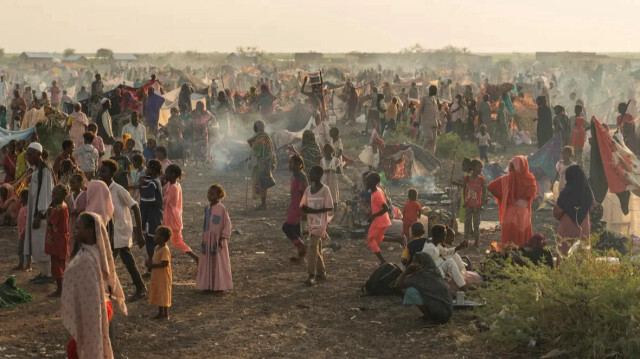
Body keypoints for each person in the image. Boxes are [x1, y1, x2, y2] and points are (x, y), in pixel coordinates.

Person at [61, 212, 127, 359]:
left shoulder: (87, 259)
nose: (74, 230)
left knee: (82, 349)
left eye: (79, 228)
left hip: (96, 311)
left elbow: (92, 297)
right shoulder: (98, 253)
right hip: (105, 308)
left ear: (90, 231)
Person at [97, 160, 147, 301]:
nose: (101, 174)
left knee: (123, 259)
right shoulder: (101, 189)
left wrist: (139, 232)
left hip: (120, 229)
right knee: (110, 260)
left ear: (112, 173)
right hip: (109, 230)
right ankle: (110, 289)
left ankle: (140, 288)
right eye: (100, 171)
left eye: (104, 171)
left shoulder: (118, 189)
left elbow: (135, 207)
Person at [488, 156, 537, 248]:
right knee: (523, 240)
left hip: (510, 212)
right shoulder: (530, 179)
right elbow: (531, 195)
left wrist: (503, 198)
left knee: (509, 239)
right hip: (523, 213)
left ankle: (509, 257)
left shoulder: (507, 178)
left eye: (512, 166)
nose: (511, 169)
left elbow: (490, 186)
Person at [394, 252, 454, 325]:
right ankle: (429, 315)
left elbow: (397, 285)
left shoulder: (420, 277)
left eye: (415, 261)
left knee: (410, 290)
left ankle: (428, 316)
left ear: (421, 263)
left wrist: (407, 270)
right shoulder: (434, 271)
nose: (412, 263)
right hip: (448, 312)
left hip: (439, 315)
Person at [25, 142, 55, 284]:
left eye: (31, 154)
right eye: (27, 154)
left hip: (41, 216)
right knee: (37, 244)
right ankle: (43, 273)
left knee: (43, 244)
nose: (28, 157)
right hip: (35, 213)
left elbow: (46, 194)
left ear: (39, 154)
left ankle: (48, 274)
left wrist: (39, 214)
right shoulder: (37, 171)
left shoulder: (46, 171)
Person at [196, 184, 233, 292]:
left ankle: (219, 286)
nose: (209, 196)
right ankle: (207, 285)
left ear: (219, 196)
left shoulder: (221, 209)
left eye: (212, 194)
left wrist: (223, 238)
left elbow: (227, 224)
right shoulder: (207, 208)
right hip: (208, 239)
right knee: (207, 262)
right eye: (208, 193)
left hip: (218, 240)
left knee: (218, 262)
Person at [300, 166, 333, 286]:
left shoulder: (325, 190)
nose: (310, 175)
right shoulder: (308, 189)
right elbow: (302, 204)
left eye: (312, 173)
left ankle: (311, 275)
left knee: (312, 246)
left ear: (319, 175)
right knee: (316, 247)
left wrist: (314, 210)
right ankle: (321, 272)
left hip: (321, 223)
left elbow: (330, 207)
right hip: (311, 222)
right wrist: (306, 210)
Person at [553, 165, 595, 255]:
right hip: (584, 226)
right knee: (582, 254)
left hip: (566, 226)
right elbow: (592, 206)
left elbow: (557, 211)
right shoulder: (587, 191)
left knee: (564, 253)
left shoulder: (566, 191)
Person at [163, 164, 198, 261]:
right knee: (176, 242)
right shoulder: (176, 185)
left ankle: (196, 258)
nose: (165, 175)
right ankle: (196, 258)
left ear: (173, 174)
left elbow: (165, 200)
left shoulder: (174, 187)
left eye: (167, 173)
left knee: (174, 241)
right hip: (173, 217)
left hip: (172, 219)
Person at [423, 224, 468, 291]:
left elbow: (446, 252)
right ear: (440, 236)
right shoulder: (430, 248)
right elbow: (433, 266)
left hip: (437, 267)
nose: (445, 237)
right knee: (449, 262)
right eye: (445, 235)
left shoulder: (436, 243)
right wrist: (444, 277)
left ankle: (463, 286)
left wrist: (460, 246)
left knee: (450, 261)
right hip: (431, 273)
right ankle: (463, 288)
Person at [282, 154, 308, 262]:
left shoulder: (300, 177)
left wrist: (304, 209)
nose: (289, 165)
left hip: (298, 206)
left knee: (286, 228)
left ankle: (302, 245)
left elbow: (305, 193)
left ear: (298, 164)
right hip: (294, 204)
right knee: (296, 230)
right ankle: (301, 257)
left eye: (291, 163)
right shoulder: (295, 175)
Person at [45, 184, 70, 297]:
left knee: (56, 265)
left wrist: (49, 210)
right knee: (61, 263)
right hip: (61, 238)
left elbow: (50, 221)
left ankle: (59, 289)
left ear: (61, 196)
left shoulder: (58, 208)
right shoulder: (63, 206)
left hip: (57, 239)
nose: (53, 196)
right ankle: (63, 288)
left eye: (55, 194)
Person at [248, 120, 276, 210]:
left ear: (257, 128)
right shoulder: (266, 137)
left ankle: (264, 204)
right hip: (265, 162)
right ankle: (263, 203)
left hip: (261, 163)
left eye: (254, 127)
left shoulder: (260, 138)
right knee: (263, 182)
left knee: (261, 182)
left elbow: (256, 151)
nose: (253, 128)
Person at [140, 159, 164, 266]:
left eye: (148, 167)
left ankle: (152, 265)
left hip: (152, 217)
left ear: (152, 169)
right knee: (151, 241)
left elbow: (147, 201)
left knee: (151, 242)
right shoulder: (154, 181)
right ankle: (152, 265)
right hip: (154, 216)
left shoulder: (152, 183)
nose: (146, 169)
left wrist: (141, 186)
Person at [366, 172, 392, 265]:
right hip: (382, 219)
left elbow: (385, 208)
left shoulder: (377, 193)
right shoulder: (377, 191)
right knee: (378, 238)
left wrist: (373, 216)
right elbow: (378, 207)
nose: (366, 183)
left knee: (370, 239)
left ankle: (383, 261)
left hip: (379, 221)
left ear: (374, 182)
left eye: (368, 181)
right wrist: (371, 213)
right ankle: (399, 239)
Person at [149, 226, 172, 320]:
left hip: (163, 276)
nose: (154, 237)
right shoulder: (157, 248)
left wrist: (152, 265)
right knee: (159, 293)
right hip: (157, 276)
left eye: (156, 235)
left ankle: (165, 314)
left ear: (162, 238)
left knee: (164, 294)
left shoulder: (165, 250)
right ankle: (160, 312)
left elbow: (164, 263)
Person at [463, 159, 487, 249]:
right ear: (473, 167)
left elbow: (485, 192)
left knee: (476, 224)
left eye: (481, 167)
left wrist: (482, 203)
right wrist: (465, 202)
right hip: (468, 204)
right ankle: (465, 241)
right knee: (467, 223)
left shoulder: (481, 179)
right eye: (479, 167)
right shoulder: (467, 178)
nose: (481, 169)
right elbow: (464, 190)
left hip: (477, 205)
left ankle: (476, 243)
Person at [65, 174, 86, 256]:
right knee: (72, 244)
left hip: (82, 225)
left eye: (73, 183)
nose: (71, 185)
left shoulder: (85, 195)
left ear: (80, 183)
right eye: (70, 183)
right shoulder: (69, 197)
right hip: (72, 225)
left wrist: (79, 211)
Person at [417, 85, 440, 154]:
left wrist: (439, 121)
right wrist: (417, 120)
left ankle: (430, 156)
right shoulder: (424, 98)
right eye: (435, 90)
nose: (436, 92)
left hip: (434, 122)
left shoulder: (434, 100)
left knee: (434, 142)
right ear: (431, 90)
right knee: (429, 138)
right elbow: (419, 110)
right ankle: (421, 150)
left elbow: (436, 111)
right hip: (426, 122)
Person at [190, 102, 211, 166]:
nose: (199, 107)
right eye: (198, 105)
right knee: (197, 146)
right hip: (196, 131)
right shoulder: (193, 112)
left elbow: (211, 118)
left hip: (203, 131)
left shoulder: (206, 112)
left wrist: (206, 124)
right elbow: (191, 121)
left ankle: (202, 161)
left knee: (203, 146)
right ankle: (197, 161)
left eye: (201, 106)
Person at [14, 189, 30, 270]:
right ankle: (21, 264)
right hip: (21, 232)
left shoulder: (27, 208)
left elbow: (27, 221)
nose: (19, 199)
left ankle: (27, 265)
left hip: (24, 232)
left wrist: (24, 231)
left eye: (21, 197)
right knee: (21, 249)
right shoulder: (22, 207)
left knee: (25, 249)